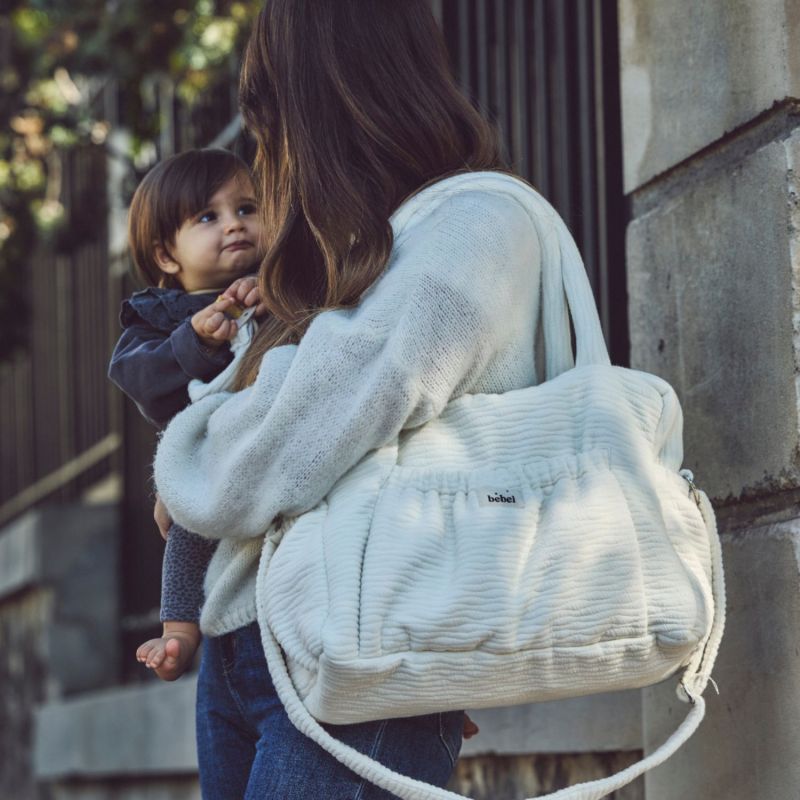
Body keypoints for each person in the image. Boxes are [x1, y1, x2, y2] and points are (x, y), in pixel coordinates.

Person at [153, 1, 549, 797]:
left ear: (324, 100)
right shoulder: (359, 247)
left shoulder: (471, 226)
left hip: (346, 658)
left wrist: (189, 468)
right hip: (245, 647)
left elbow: (254, 458)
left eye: (270, 114)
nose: (266, 152)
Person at [108, 148, 267, 681]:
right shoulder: (160, 318)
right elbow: (140, 380)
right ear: (167, 256)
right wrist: (193, 341)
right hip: (206, 459)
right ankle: (178, 631)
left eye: (247, 208)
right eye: (207, 217)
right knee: (185, 523)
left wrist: (277, 295)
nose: (234, 225)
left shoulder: (284, 284)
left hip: (277, 446)